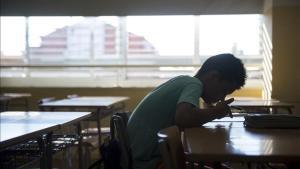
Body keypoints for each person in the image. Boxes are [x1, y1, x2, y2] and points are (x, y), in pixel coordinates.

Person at [127, 53, 246, 169]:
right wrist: (215, 112)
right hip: (148, 162)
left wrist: (211, 112)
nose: (222, 98)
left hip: (142, 157)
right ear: (213, 76)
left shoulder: (184, 82)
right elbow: (183, 117)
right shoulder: (194, 84)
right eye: (224, 91)